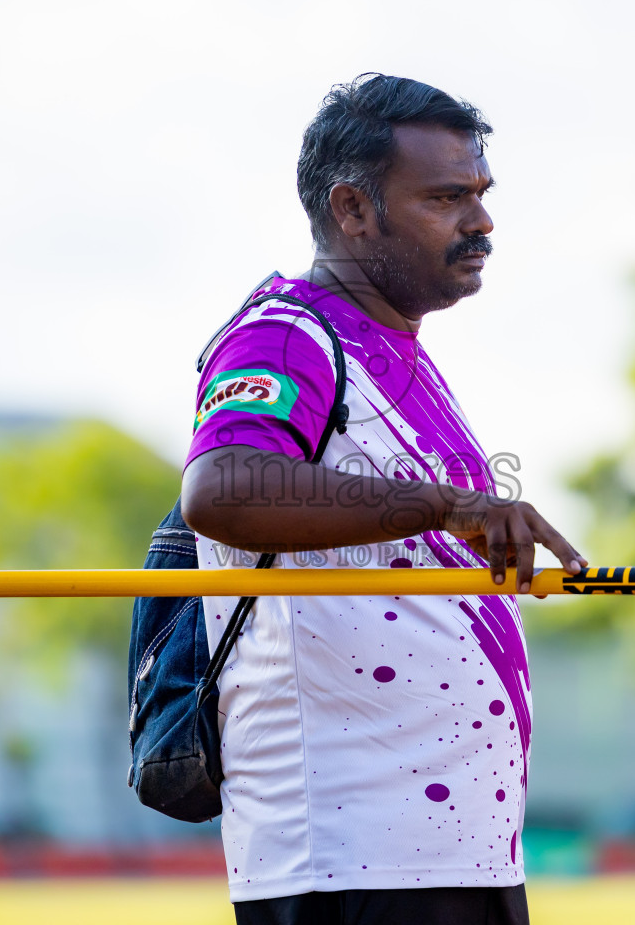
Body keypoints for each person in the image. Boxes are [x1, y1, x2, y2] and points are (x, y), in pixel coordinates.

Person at [181, 74, 587, 925]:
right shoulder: (289, 331)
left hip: (443, 850)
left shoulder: (394, 347)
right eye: (445, 197)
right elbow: (222, 489)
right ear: (354, 211)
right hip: (350, 858)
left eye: (480, 194)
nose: (480, 222)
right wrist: (452, 507)